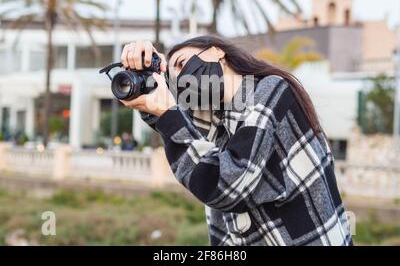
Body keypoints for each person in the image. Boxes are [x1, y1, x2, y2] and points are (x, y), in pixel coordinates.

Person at [119, 36, 353, 246]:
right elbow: (176, 121)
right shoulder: (216, 119)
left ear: (216, 51)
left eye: (182, 63)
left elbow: (226, 184)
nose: (181, 78)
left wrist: (169, 114)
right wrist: (151, 67)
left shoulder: (271, 90)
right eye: (175, 77)